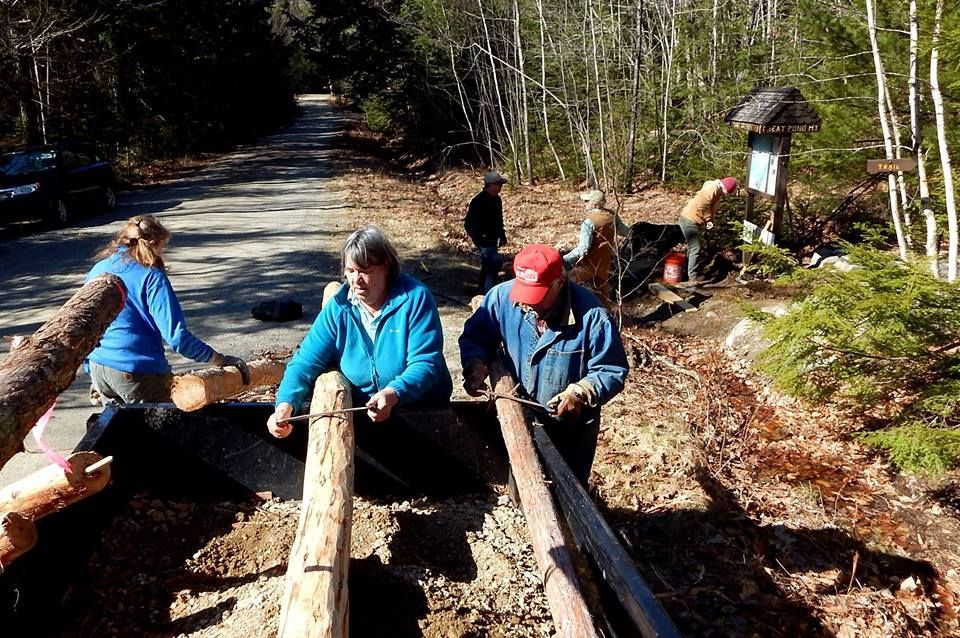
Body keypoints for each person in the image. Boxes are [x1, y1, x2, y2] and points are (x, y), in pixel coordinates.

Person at [459, 244, 629, 486]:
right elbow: (476, 335)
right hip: (520, 416)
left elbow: (610, 369)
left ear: (560, 282)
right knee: (522, 483)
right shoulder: (501, 298)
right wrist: (475, 363)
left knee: (568, 496)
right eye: (525, 294)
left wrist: (581, 392)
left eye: (537, 296)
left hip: (570, 430)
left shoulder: (593, 317)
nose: (529, 304)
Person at [267, 226, 453, 438]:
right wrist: (285, 404)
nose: (356, 280)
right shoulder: (339, 307)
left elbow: (426, 363)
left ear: (386, 266)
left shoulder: (415, 298)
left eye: (365, 271)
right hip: (365, 415)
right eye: (350, 271)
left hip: (423, 413)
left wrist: (393, 394)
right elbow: (304, 363)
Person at [85, 215, 249, 404]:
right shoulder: (151, 276)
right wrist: (220, 360)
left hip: (99, 368)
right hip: (137, 371)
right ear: (154, 243)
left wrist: (90, 367)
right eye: (162, 246)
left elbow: (86, 323)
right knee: (164, 428)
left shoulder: (98, 269)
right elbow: (177, 337)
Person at [563, 189, 631, 304]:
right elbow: (626, 232)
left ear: (594, 204)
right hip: (605, 261)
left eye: (586, 201)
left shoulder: (588, 222)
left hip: (589, 263)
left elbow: (583, 249)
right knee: (603, 295)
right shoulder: (611, 215)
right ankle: (608, 316)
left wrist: (563, 258)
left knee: (566, 283)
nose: (584, 203)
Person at [677, 176, 738, 285]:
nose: (727, 195)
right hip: (689, 220)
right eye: (728, 192)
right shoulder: (712, 189)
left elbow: (710, 208)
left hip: (694, 221)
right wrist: (708, 219)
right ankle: (692, 278)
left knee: (693, 248)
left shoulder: (717, 192)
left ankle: (688, 273)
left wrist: (711, 223)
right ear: (726, 188)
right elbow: (703, 204)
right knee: (695, 247)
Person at [464, 171, 508, 293]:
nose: (500, 187)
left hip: (493, 239)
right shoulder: (478, 201)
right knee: (494, 263)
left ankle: (481, 290)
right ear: (491, 185)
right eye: (498, 184)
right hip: (483, 240)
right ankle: (488, 293)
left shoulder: (497, 200)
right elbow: (468, 224)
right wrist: (478, 239)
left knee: (488, 266)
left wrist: (502, 235)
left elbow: (499, 220)